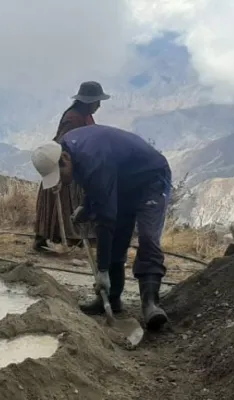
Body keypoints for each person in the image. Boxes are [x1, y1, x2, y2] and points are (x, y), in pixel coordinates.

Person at [30, 124, 170, 331]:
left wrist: (102, 270)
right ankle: (112, 299)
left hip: (151, 179)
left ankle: (150, 304)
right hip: (122, 182)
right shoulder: (71, 151)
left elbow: (106, 218)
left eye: (60, 175)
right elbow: (96, 185)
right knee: (116, 238)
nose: (63, 182)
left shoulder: (91, 156)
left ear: (65, 159)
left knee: (148, 238)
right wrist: (86, 207)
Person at [32, 81, 110, 252]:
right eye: (97, 101)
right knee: (66, 201)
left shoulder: (86, 117)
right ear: (88, 101)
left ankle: (79, 237)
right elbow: (64, 142)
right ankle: (63, 237)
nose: (99, 105)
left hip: (78, 164)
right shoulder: (73, 118)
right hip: (64, 164)